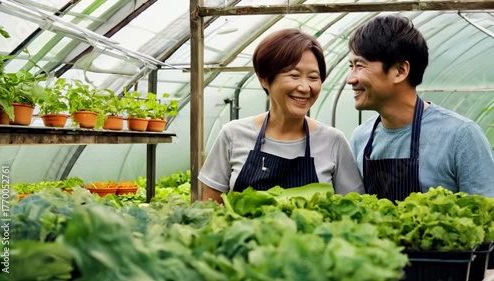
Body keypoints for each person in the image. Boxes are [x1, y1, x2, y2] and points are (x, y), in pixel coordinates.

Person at [198, 28, 364, 203]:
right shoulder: (233, 134)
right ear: (264, 78)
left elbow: (353, 210)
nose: (305, 87)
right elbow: (211, 210)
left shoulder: (333, 141)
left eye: (313, 77)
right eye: (294, 75)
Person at [347, 14, 494, 201]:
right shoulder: (362, 137)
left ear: (400, 71)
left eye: (359, 66)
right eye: (350, 66)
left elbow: (486, 217)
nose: (350, 79)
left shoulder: (460, 136)